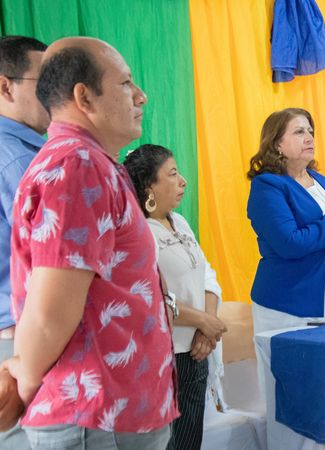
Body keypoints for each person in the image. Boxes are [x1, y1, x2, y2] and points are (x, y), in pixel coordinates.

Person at [2, 37, 178, 449]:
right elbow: (50, 312)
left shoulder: (93, 161)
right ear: (84, 97)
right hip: (94, 414)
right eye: (125, 83)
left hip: (117, 410)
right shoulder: (75, 165)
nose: (141, 96)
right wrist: (25, 382)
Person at [124, 144, 227, 450]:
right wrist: (203, 321)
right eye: (172, 174)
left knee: (189, 442)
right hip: (165, 356)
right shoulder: (137, 231)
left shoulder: (179, 221)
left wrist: (207, 326)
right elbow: (149, 294)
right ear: (149, 187)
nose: (183, 181)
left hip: (198, 350)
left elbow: (207, 275)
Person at [246, 108, 325, 334]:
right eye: (299, 132)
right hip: (289, 307)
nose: (309, 138)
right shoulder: (267, 186)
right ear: (277, 143)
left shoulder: (320, 180)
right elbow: (290, 243)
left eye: (310, 131)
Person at [0, 35, 48, 450]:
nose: (55, 94)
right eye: (44, 81)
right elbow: (52, 261)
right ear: (5, 86)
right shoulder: (19, 161)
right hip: (20, 336)